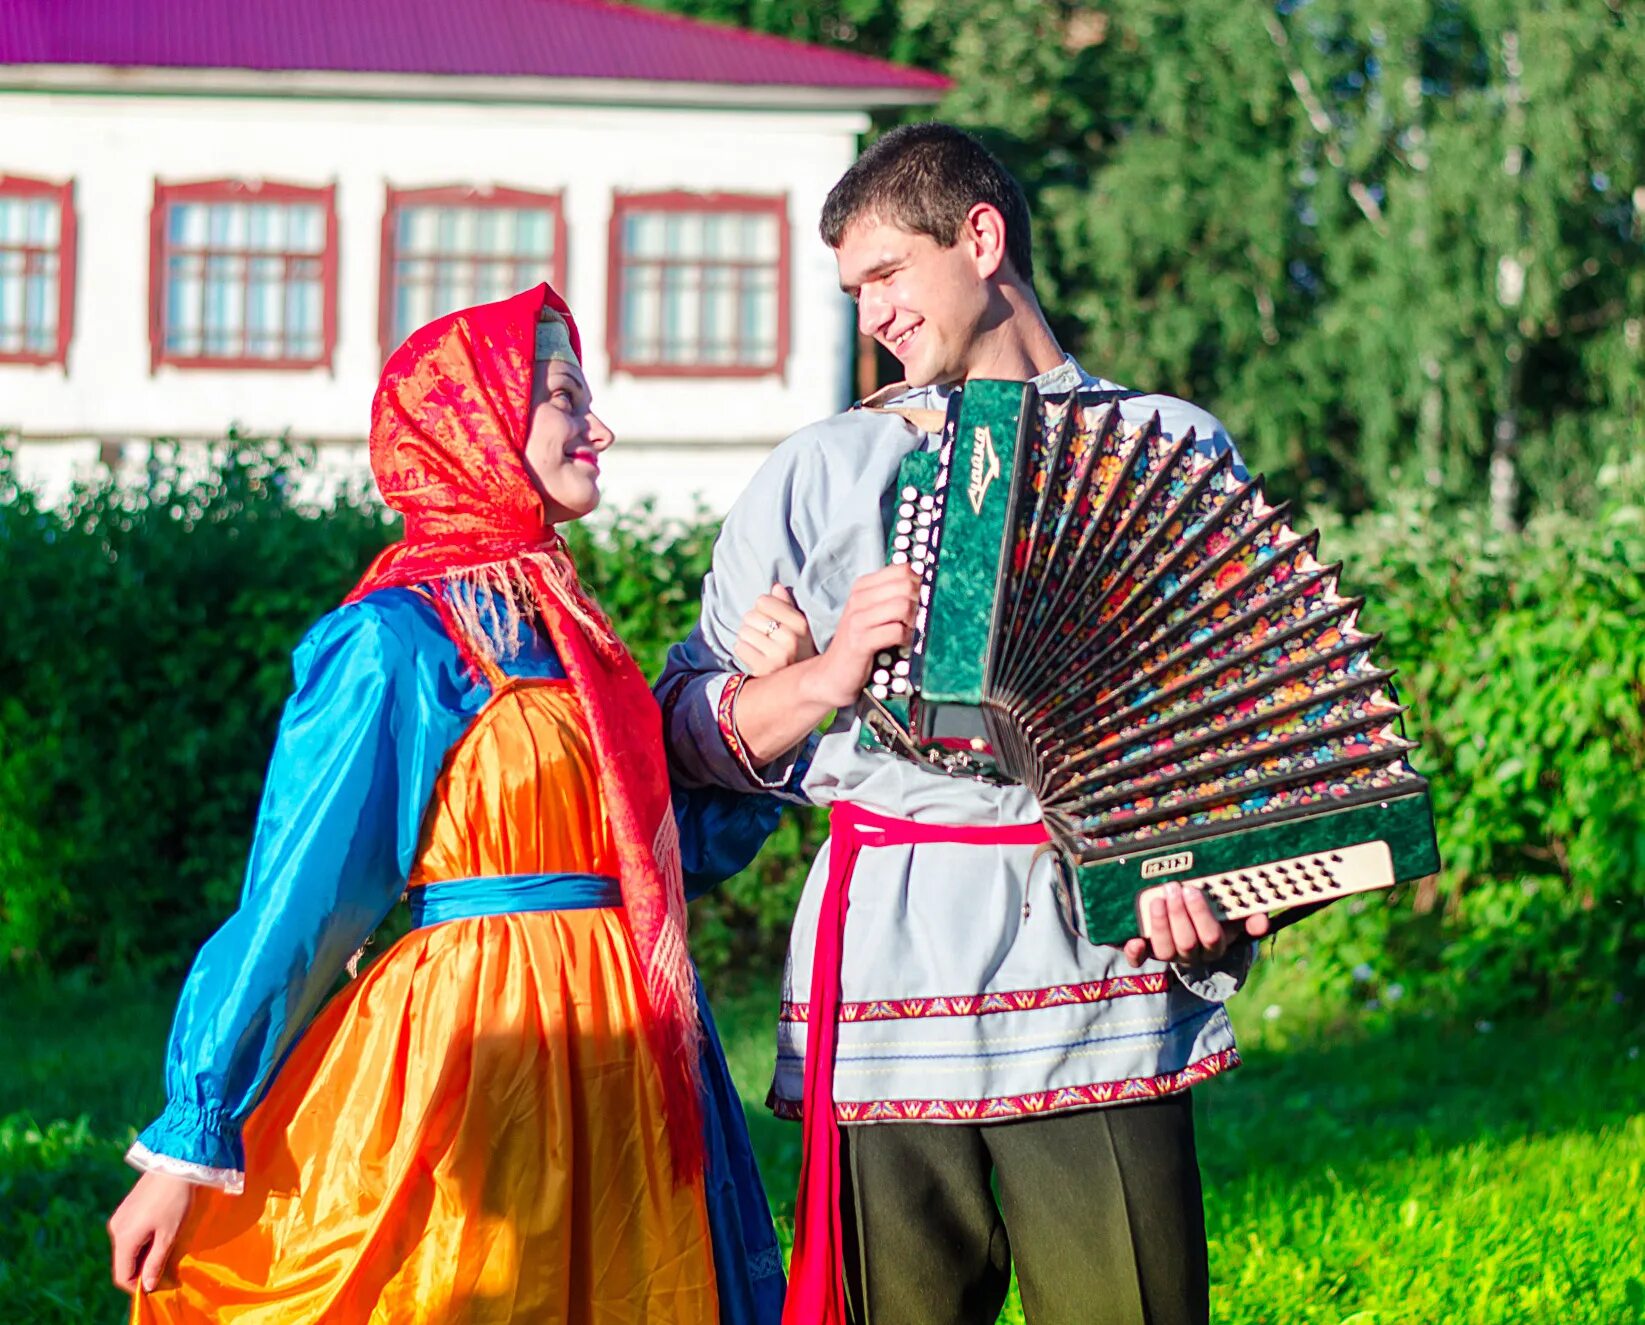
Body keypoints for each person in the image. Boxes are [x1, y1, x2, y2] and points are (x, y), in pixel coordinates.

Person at [658, 124, 1269, 1325]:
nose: (871, 312)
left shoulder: (1166, 445)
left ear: (981, 239)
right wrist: (823, 676)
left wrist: (1223, 897)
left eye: (888, 273)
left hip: (1096, 969)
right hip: (886, 964)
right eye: (854, 291)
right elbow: (687, 722)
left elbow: (1251, 722)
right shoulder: (820, 469)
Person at [106, 285, 790, 1324]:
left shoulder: (574, 637)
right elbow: (300, 897)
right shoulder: (394, 640)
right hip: (484, 1057)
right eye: (563, 396)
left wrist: (793, 699)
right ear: (474, 420)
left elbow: (653, 855)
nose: (596, 426)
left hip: (626, 1056)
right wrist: (193, 1134)